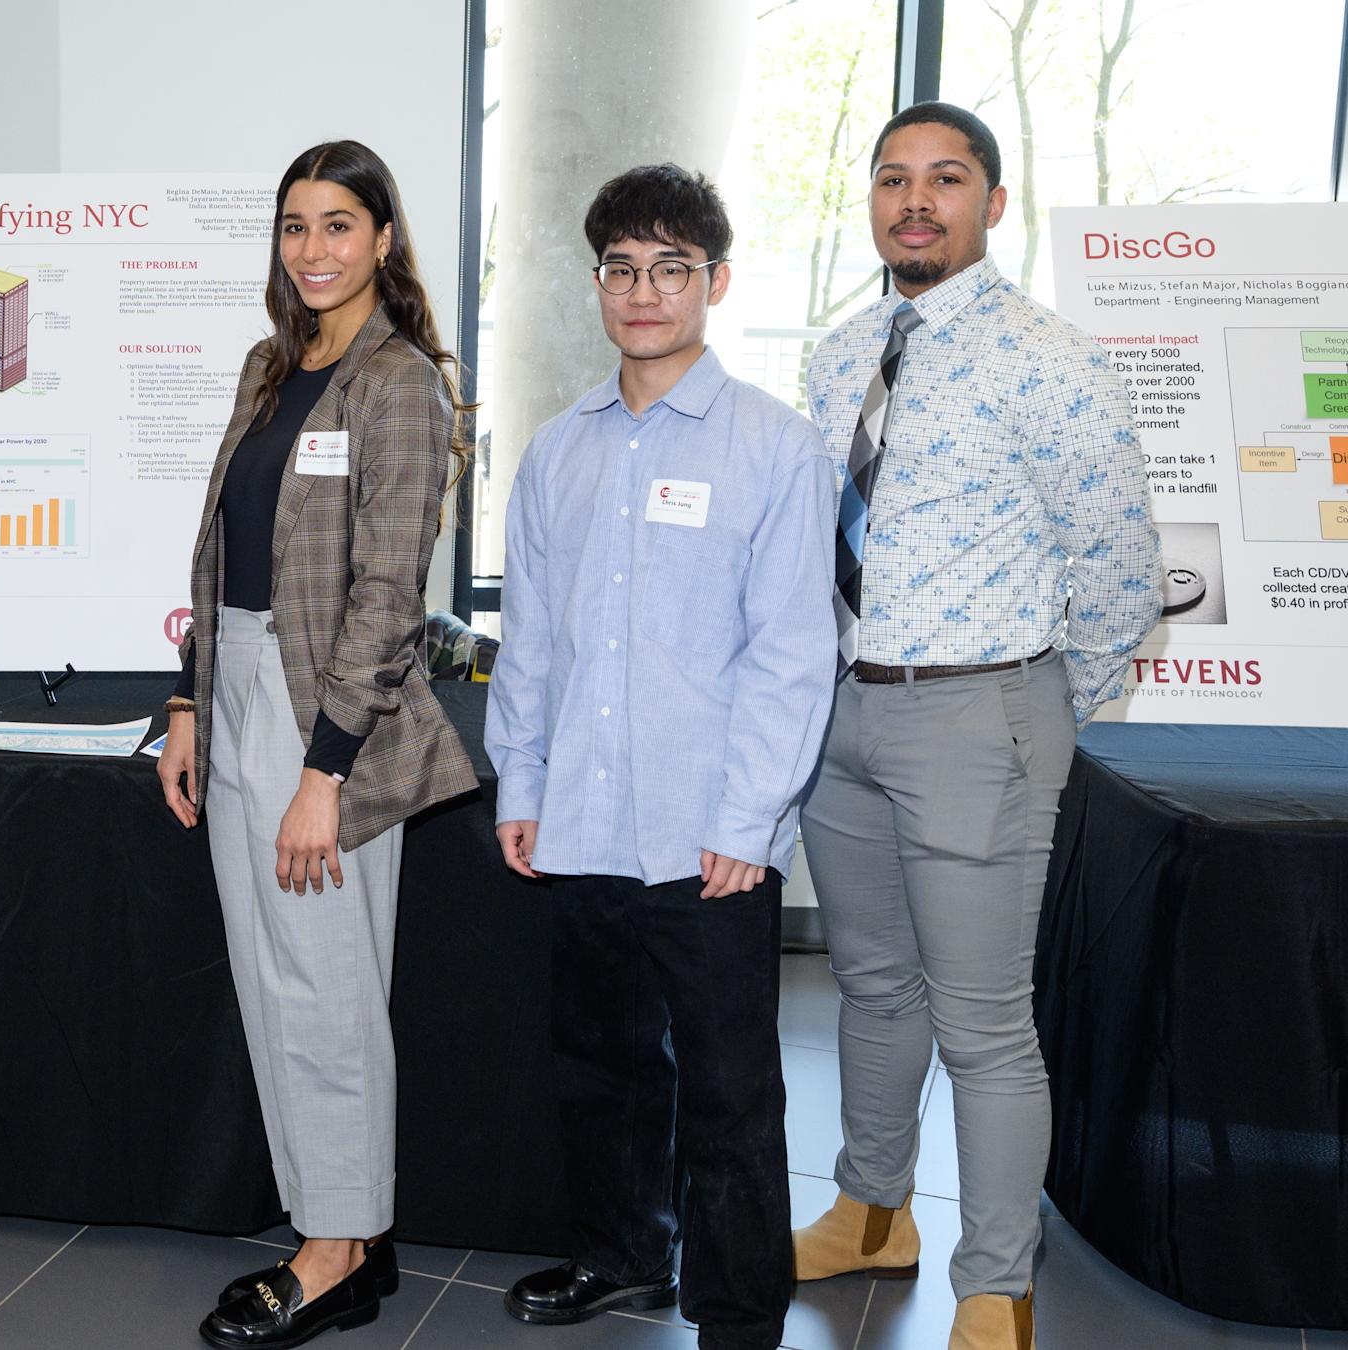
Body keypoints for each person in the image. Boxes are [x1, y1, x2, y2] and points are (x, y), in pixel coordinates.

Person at [793, 102, 1159, 1350]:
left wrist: (1042, 704)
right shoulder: (841, 353)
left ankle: (996, 1284)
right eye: (894, 179)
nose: (916, 201)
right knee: (871, 986)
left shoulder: (1051, 359)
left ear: (992, 204)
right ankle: (870, 1212)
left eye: (946, 179)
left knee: (984, 1023)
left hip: (977, 711)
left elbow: (1119, 563)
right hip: (843, 711)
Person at [482, 165, 834, 1350]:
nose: (644, 292)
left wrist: (748, 822)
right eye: (623, 269)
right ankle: (623, 1256)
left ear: (715, 283)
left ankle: (736, 1314)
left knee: (730, 1088)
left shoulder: (776, 448)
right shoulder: (558, 451)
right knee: (602, 1063)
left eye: (671, 269)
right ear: (598, 284)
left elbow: (793, 653)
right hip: (581, 818)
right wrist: (522, 782)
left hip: (707, 833)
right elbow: (533, 638)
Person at [155, 140, 477, 1350]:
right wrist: (188, 705)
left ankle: (340, 1249)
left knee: (327, 991)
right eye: (295, 226)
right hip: (236, 684)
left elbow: (389, 598)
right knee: (269, 981)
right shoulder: (270, 365)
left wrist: (323, 772)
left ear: (382, 238)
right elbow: (219, 551)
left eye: (338, 224)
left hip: (328, 713)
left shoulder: (400, 383)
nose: (314, 248)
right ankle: (329, 1223)